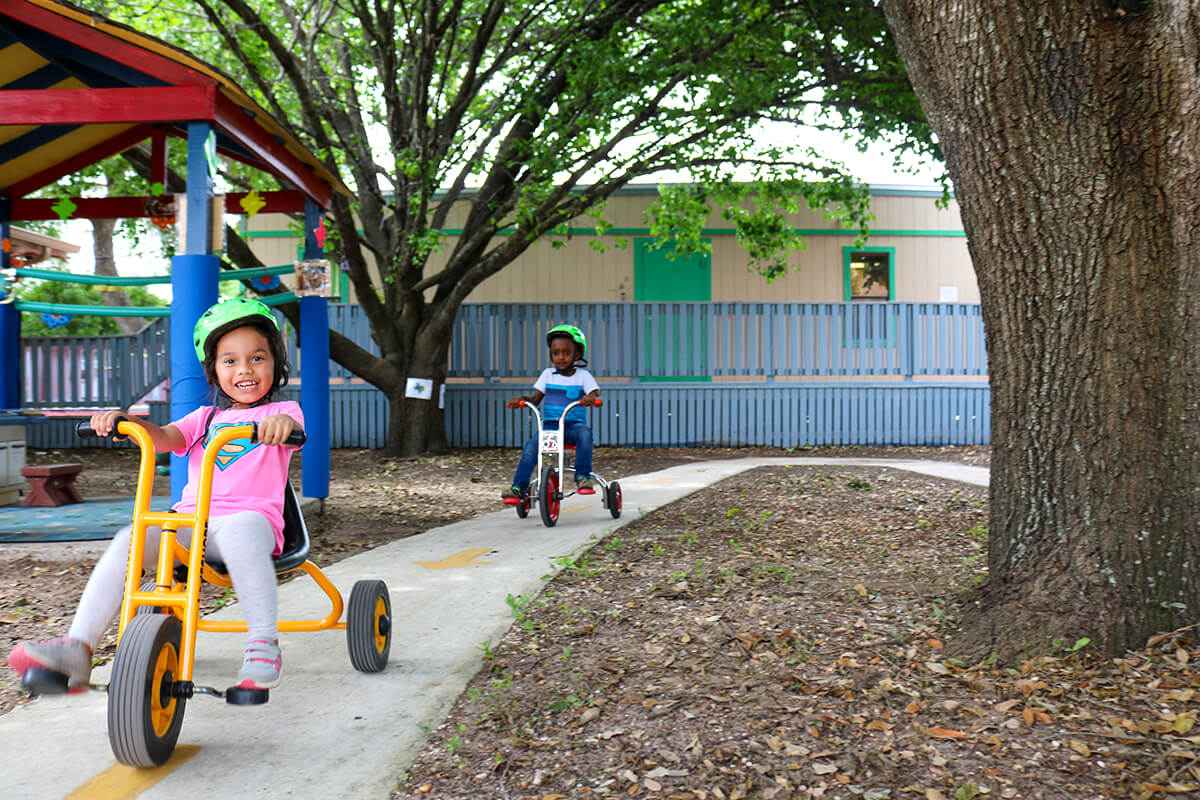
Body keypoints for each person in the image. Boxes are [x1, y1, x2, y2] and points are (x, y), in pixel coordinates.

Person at [7, 298, 303, 692]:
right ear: (214, 371)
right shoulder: (205, 419)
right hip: (191, 526)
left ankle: (263, 642)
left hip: (252, 523)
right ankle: (78, 647)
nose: (244, 369)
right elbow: (163, 438)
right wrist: (124, 422)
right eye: (229, 361)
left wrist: (281, 425)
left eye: (258, 358)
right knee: (129, 538)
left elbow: (293, 429)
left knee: (240, 529)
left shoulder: (282, 412)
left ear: (275, 363)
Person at [501, 324, 600, 504]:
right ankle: (518, 488)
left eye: (566, 352)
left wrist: (590, 398)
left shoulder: (583, 376)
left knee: (585, 434)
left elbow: (594, 393)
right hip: (550, 427)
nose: (561, 357)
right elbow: (535, 399)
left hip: (572, 428)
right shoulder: (547, 375)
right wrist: (521, 399)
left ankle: (583, 477)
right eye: (556, 353)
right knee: (531, 447)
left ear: (577, 354)